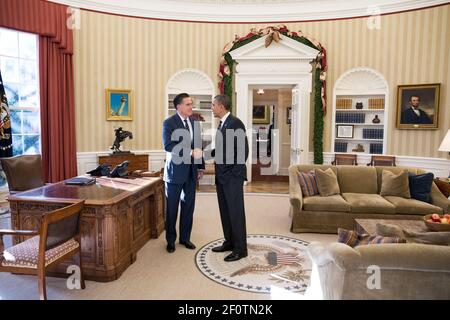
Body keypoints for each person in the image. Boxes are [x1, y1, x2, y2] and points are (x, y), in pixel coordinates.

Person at [207, 94, 249, 262]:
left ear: (221, 106)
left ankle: (241, 249)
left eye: (213, 105)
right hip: (222, 176)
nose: (212, 108)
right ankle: (230, 242)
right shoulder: (223, 124)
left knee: (235, 213)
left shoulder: (235, 123)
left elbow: (243, 152)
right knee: (225, 212)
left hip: (232, 178)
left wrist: (233, 175)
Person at [162, 93, 204, 253]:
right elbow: (168, 146)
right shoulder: (169, 123)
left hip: (191, 172)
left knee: (188, 207)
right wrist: (189, 152)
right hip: (174, 173)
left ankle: (185, 238)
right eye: (187, 104)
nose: (191, 107)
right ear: (178, 106)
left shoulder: (195, 123)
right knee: (172, 209)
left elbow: (198, 146)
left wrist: (200, 167)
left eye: (191, 104)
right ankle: (170, 240)